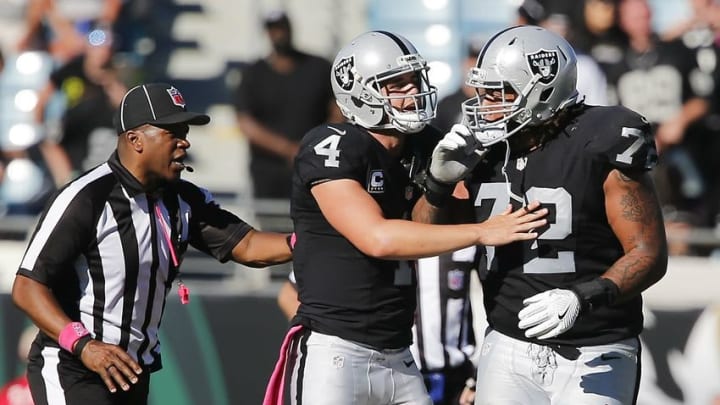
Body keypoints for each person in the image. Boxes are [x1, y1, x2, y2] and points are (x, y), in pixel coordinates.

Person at [262, 30, 548, 405]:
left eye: (415, 81)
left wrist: (441, 186)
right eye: (396, 85)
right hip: (335, 350)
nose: (413, 93)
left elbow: (424, 230)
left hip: (399, 354)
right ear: (360, 93)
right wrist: (482, 231)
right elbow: (378, 239)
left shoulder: (425, 144)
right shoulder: (332, 144)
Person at [426, 25, 668, 404]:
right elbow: (427, 235)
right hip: (506, 345)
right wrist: (437, 184)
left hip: (596, 350)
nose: (485, 104)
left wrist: (583, 296)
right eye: (484, 92)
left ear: (542, 89)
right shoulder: (481, 150)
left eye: (499, 93)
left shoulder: (601, 137)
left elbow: (648, 253)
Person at [11, 82, 294, 405]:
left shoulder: (181, 199)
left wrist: (307, 241)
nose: (184, 142)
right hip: (73, 366)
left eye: (184, 132)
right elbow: (27, 286)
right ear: (135, 140)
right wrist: (83, 345)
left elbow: (248, 245)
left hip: (131, 371)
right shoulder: (87, 197)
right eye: (172, 132)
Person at [234, 10, 343, 201]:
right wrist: (288, 149)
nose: (279, 34)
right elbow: (246, 122)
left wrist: (316, 146)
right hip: (269, 171)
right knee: (272, 227)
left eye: (282, 28)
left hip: (316, 163)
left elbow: (339, 108)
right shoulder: (253, 73)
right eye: (273, 29)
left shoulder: (318, 67)